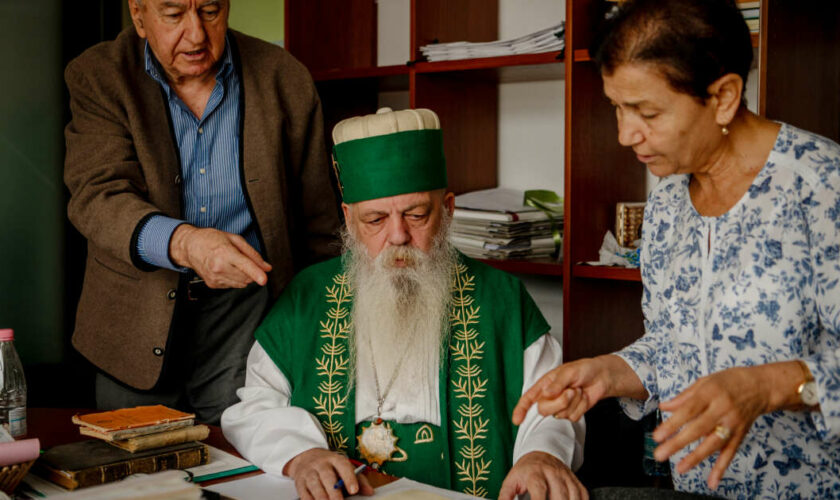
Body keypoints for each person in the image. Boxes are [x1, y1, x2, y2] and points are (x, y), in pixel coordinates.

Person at [513, 0, 840, 498]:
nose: (626, 134)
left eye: (648, 112)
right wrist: (609, 373)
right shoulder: (668, 199)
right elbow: (673, 348)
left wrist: (770, 386)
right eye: (617, 108)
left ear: (724, 96)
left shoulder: (822, 186)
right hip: (693, 488)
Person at [222, 108, 586, 500]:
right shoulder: (306, 298)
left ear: (447, 210)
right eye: (375, 220)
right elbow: (255, 406)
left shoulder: (503, 299)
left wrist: (541, 454)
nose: (398, 236)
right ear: (348, 219)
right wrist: (302, 455)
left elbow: (552, 406)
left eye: (416, 215)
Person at [63, 0, 340, 424]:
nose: (195, 34)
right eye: (173, 15)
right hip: (132, 320)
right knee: (139, 479)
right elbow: (98, 195)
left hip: (246, 318)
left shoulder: (284, 77)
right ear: (139, 15)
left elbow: (322, 225)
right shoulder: (99, 76)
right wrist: (186, 244)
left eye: (209, 11)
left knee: (246, 465)